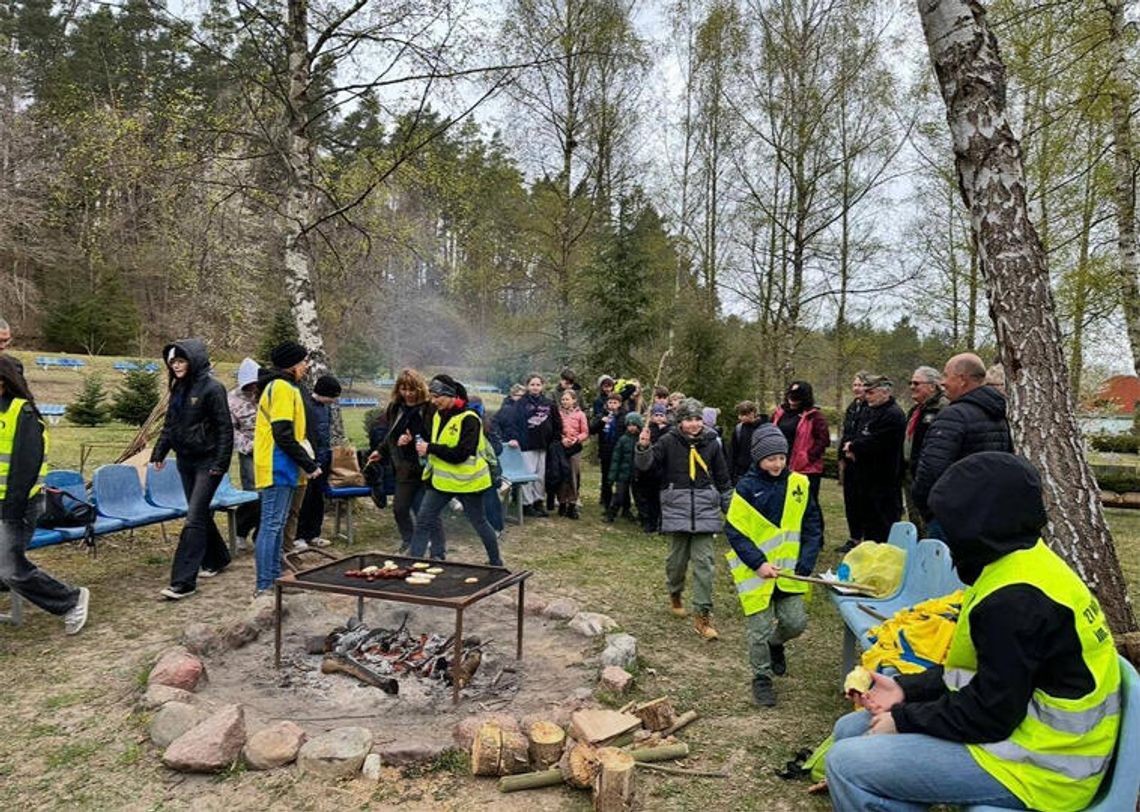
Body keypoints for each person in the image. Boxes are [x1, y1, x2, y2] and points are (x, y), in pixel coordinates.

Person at [826, 452, 1121, 812]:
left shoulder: (1015, 600)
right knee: (848, 731)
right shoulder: (1020, 562)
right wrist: (906, 689)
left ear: (980, 522)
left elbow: (989, 716)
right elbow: (979, 675)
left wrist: (903, 719)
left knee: (848, 763)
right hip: (1021, 735)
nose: (946, 534)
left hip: (1041, 768)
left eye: (952, 522)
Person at [724, 424, 822, 706]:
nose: (777, 463)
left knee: (796, 623)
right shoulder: (745, 488)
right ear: (758, 459)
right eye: (770, 459)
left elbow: (812, 525)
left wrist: (806, 562)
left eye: (781, 457)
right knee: (759, 629)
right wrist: (758, 564)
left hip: (791, 573)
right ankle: (761, 678)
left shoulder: (799, 485)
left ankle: (776, 644)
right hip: (758, 574)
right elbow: (735, 531)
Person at [0, 357, 89, 633]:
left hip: (18, 505)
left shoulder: (23, 413)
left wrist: (10, 512)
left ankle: (71, 601)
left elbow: (23, 471)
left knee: (9, 568)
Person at [635, 397, 733, 640]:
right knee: (676, 562)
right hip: (676, 507)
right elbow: (646, 467)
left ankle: (702, 616)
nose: (693, 424)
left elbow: (722, 478)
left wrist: (730, 507)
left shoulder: (712, 443)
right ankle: (675, 592)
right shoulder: (668, 441)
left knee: (705, 564)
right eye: (688, 419)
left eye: (697, 419)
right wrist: (644, 447)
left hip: (705, 509)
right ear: (680, 421)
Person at [150, 339, 234, 600]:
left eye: (181, 360)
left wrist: (220, 464)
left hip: (208, 463)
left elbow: (224, 430)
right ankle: (218, 557)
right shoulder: (178, 389)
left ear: (194, 360)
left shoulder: (213, 389)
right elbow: (170, 425)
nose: (175, 366)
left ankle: (184, 581)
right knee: (198, 513)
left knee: (194, 517)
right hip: (185, 460)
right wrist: (159, 452)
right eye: (172, 362)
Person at [913, 353, 1013, 538]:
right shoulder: (1001, 416)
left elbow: (932, 469)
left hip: (950, 516)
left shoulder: (953, 416)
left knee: (945, 565)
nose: (942, 383)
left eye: (946, 375)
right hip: (986, 514)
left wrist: (926, 507)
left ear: (961, 380)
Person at [408, 375, 503, 566]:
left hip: (469, 482)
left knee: (479, 522)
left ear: (451, 395)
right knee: (423, 520)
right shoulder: (437, 415)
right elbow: (434, 439)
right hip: (441, 482)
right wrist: (412, 440)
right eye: (432, 397)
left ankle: (495, 562)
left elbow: (462, 453)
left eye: (437, 397)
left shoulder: (470, 419)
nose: (434, 402)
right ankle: (413, 564)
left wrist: (430, 448)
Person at [252, 341, 321, 595]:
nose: (305, 367)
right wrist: (308, 463)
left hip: (284, 465)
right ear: (293, 364)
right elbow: (282, 433)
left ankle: (276, 579)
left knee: (278, 524)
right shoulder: (280, 387)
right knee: (271, 524)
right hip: (275, 464)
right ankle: (264, 585)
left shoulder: (287, 387)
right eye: (303, 362)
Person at [367, 368, 441, 555]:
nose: (408, 394)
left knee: (426, 511)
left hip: (427, 465)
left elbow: (436, 434)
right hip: (404, 466)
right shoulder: (395, 407)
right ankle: (408, 540)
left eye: (412, 389)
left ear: (419, 388)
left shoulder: (429, 407)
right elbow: (391, 435)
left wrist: (415, 437)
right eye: (403, 389)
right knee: (399, 508)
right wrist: (380, 451)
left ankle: (437, 548)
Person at [843, 375, 906, 544]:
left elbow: (876, 442)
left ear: (884, 392)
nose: (867, 396)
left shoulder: (893, 414)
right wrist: (852, 445)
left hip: (884, 481)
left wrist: (854, 447)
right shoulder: (868, 410)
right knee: (869, 524)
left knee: (883, 527)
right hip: (865, 478)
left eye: (870, 392)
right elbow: (858, 434)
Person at [772, 381, 830, 538]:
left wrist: (808, 457)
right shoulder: (780, 413)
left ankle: (815, 537)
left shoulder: (815, 417)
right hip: (781, 465)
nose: (792, 400)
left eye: (796, 398)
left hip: (807, 468)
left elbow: (823, 440)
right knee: (784, 502)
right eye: (790, 396)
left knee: (809, 504)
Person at [503, 373, 560, 517]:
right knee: (528, 475)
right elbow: (512, 423)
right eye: (532, 384)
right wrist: (514, 438)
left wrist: (555, 439)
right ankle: (526, 504)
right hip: (527, 445)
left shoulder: (549, 403)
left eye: (538, 384)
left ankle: (538, 502)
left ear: (542, 386)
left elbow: (556, 423)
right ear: (528, 386)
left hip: (544, 445)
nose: (535, 387)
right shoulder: (521, 403)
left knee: (540, 476)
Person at [294, 374, 341, 550]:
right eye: (333, 396)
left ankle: (314, 533)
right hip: (309, 460)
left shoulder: (326, 408)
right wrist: (309, 461)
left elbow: (325, 435)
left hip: (323, 459)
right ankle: (299, 535)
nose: (333, 401)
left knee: (317, 499)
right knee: (305, 500)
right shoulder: (306, 406)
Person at [903, 366, 948, 535]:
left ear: (932, 386)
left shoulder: (943, 408)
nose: (912, 387)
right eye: (910, 383)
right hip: (910, 472)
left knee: (930, 519)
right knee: (914, 516)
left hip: (929, 474)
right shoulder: (916, 410)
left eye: (916, 383)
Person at [228, 358, 261, 548]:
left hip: (271, 449)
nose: (254, 388)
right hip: (249, 450)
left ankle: (260, 534)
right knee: (252, 492)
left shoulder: (265, 393)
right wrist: (249, 446)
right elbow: (230, 430)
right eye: (251, 384)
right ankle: (241, 531)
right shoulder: (232, 399)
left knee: (269, 493)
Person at [839, 372, 870, 550]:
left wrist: (855, 450)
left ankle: (864, 538)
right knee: (850, 500)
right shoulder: (852, 407)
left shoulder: (870, 408)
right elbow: (846, 433)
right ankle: (854, 537)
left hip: (861, 461)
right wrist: (841, 457)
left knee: (862, 500)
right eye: (855, 384)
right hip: (848, 459)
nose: (857, 388)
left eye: (861, 385)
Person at [590, 391, 626, 512]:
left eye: (615, 402)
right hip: (606, 451)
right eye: (610, 402)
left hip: (620, 452)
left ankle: (624, 506)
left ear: (620, 404)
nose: (612, 405)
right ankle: (607, 503)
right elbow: (592, 430)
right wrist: (601, 422)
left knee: (622, 479)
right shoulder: (602, 415)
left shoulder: (624, 416)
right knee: (606, 479)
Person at [556, 389, 589, 519]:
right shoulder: (558, 414)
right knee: (562, 474)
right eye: (563, 399)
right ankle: (562, 502)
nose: (565, 401)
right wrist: (562, 438)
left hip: (575, 448)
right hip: (562, 446)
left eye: (567, 399)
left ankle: (572, 503)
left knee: (573, 475)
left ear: (574, 400)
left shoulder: (580, 414)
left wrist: (577, 439)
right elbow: (556, 429)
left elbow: (585, 432)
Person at [606, 411, 642, 523]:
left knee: (639, 497)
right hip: (623, 473)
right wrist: (612, 476)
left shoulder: (641, 440)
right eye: (629, 425)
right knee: (619, 495)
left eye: (634, 425)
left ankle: (642, 517)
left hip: (637, 474)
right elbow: (616, 459)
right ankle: (611, 514)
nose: (632, 428)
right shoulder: (622, 440)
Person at [728, 400, 766, 484]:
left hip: (760, 472)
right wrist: (731, 473)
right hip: (741, 472)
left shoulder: (764, 427)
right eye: (739, 415)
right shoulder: (739, 429)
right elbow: (733, 452)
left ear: (752, 413)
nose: (740, 417)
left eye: (743, 415)